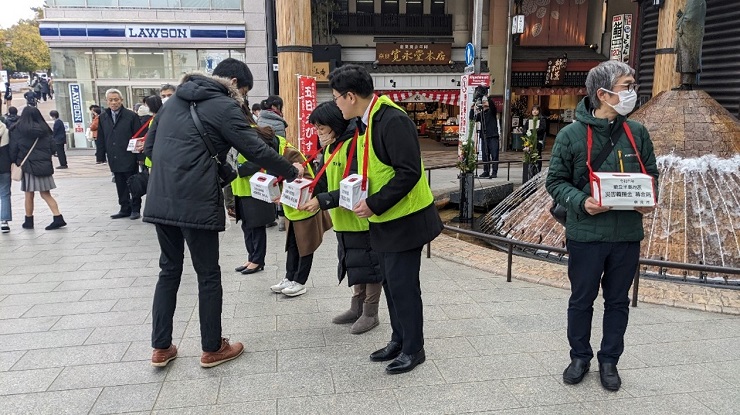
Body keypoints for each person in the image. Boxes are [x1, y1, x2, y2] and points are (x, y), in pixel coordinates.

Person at [143, 58, 304, 368]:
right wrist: (291, 171)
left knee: (168, 270)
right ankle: (212, 347)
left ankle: (161, 347)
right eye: (243, 90)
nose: (242, 97)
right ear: (232, 82)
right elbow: (255, 149)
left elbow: (150, 148)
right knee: (208, 274)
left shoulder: (174, 100)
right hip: (196, 199)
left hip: (161, 198)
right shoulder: (223, 105)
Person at [546, 60, 659, 392]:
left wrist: (648, 196)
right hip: (586, 234)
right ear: (603, 94)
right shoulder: (571, 135)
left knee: (618, 301)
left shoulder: (637, 132)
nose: (632, 92)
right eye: (626, 86)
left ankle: (609, 360)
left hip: (626, 234)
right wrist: (583, 202)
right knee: (581, 300)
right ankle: (579, 357)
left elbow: (651, 174)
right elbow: (555, 182)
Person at [329, 64, 443, 374]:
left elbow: (409, 172)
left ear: (351, 96)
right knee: (391, 284)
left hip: (405, 219)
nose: (336, 102)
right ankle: (398, 339)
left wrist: (374, 204)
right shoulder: (367, 121)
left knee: (404, 286)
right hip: (385, 219)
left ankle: (414, 349)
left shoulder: (392, 120)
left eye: (337, 97)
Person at [300, 101, 383, 334]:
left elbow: (355, 185)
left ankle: (370, 312)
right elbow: (322, 183)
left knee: (371, 267)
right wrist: (297, 192)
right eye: (316, 128)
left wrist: (322, 200)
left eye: (322, 128)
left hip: (362, 219)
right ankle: (356, 307)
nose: (319, 133)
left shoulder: (356, 145)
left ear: (335, 125)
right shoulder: (329, 149)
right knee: (353, 264)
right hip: (342, 220)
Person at [268, 129, 333, 297]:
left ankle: (300, 281)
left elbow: (311, 181)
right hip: (291, 209)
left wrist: (293, 176)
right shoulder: (272, 155)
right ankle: (289, 277)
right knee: (292, 245)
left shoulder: (291, 154)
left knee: (305, 245)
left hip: (306, 209)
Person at [231, 106, 282, 276]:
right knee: (246, 226)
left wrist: (239, 168)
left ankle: (258, 260)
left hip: (255, 187)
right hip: (241, 187)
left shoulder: (254, 133)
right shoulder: (235, 134)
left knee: (257, 225)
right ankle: (251, 257)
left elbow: (262, 157)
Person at [8, 107, 66, 231]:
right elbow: (53, 148)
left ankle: (30, 220)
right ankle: (57, 217)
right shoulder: (45, 129)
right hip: (44, 165)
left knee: (29, 194)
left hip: (28, 166)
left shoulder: (18, 129)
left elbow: (14, 149)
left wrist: (14, 161)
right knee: (46, 193)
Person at [97, 88, 143, 220]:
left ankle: (135, 209)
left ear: (121, 100)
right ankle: (124, 208)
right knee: (120, 183)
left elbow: (138, 136)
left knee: (132, 183)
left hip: (128, 155)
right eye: (111, 100)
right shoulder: (103, 117)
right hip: (114, 155)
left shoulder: (131, 116)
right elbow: (101, 137)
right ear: (107, 101)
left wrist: (139, 156)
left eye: (116, 100)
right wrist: (100, 155)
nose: (113, 102)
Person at [257, 95, 289, 230]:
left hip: (262, 159)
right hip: (277, 157)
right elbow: (281, 142)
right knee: (279, 186)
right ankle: (282, 220)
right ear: (276, 106)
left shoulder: (260, 119)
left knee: (267, 186)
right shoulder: (279, 121)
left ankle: (267, 218)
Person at [469, 96, 500, 178]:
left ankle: (494, 172)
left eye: (485, 102)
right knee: (485, 155)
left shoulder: (492, 112)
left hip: (493, 136)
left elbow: (493, 106)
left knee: (494, 155)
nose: (484, 103)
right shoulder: (481, 114)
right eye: (483, 102)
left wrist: (487, 99)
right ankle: (486, 171)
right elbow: (472, 118)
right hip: (484, 137)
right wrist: (472, 109)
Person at [525, 104, 547, 172]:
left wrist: (533, 131)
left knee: (537, 156)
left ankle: (537, 171)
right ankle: (530, 170)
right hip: (529, 141)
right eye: (533, 110)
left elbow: (542, 128)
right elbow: (525, 128)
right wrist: (526, 132)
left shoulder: (542, 119)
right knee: (529, 155)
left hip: (538, 140)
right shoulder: (529, 119)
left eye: (536, 110)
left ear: (539, 111)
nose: (535, 111)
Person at [0, 121, 11, 233]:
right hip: (3, 167)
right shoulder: (6, 131)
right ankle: (4, 222)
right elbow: (10, 151)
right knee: (5, 194)